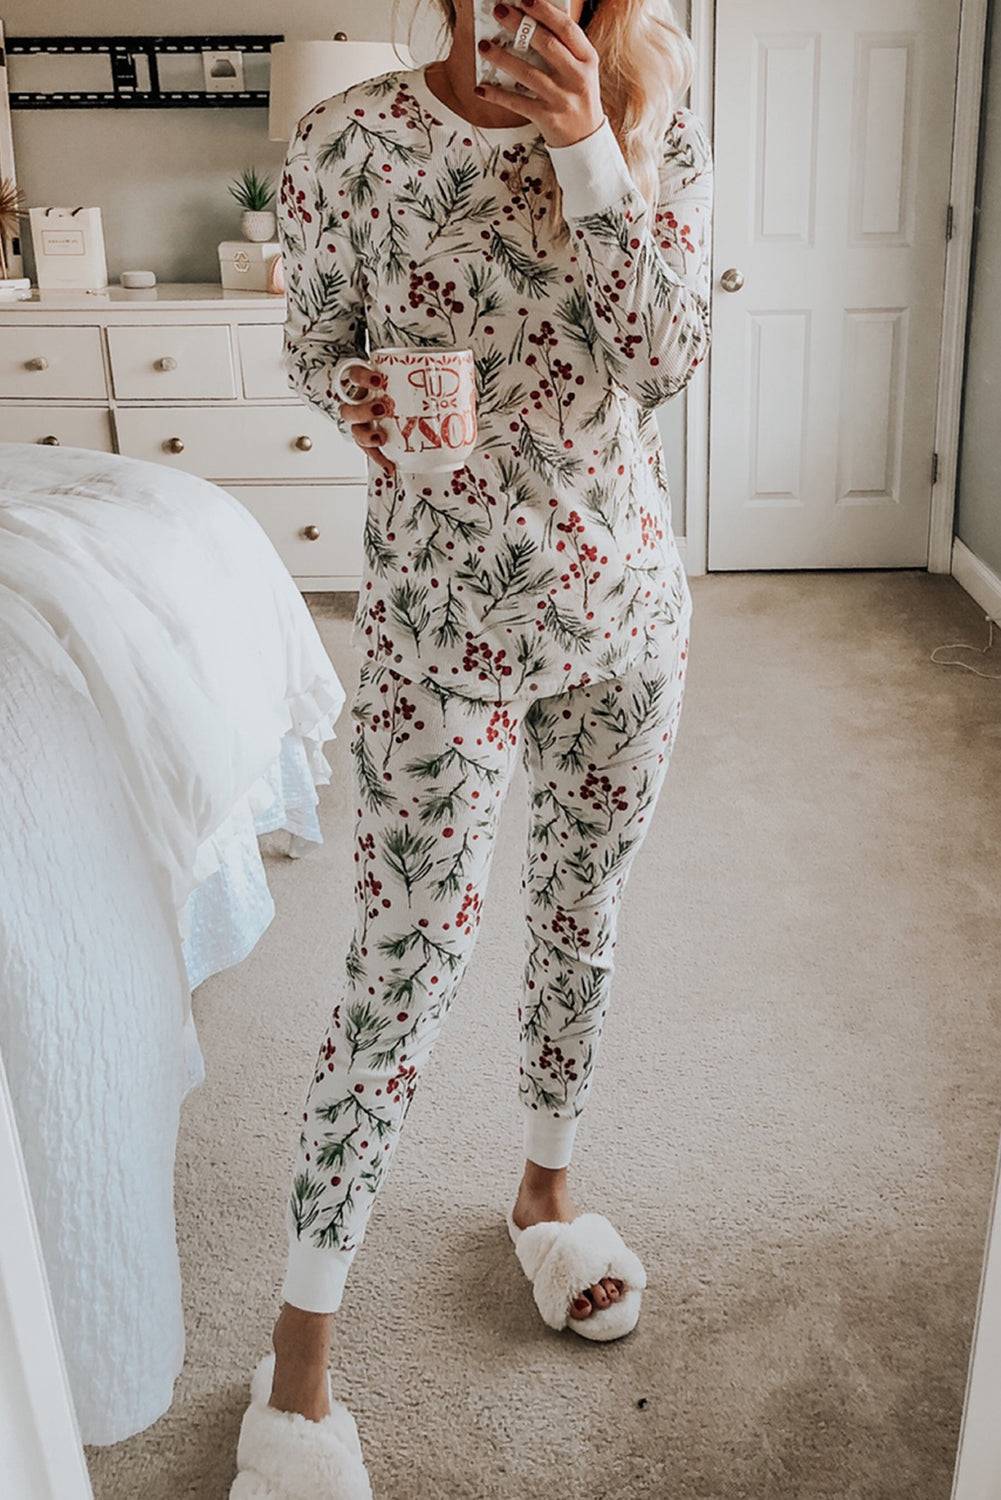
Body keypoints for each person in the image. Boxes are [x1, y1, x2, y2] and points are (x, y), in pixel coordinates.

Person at [230, 1, 712, 1493]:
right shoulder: (344, 140)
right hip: (441, 623)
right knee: (402, 959)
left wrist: (588, 155)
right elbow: (316, 343)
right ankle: (298, 1367)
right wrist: (359, 397)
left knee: (580, 919)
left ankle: (545, 1197)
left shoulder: (646, 110)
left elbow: (666, 356)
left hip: (622, 608)